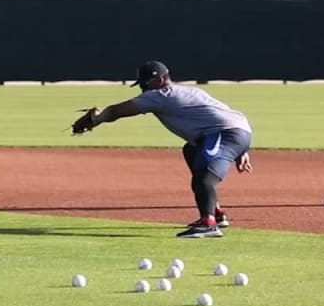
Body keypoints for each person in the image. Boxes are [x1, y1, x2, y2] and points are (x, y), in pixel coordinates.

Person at [73, 60, 253, 238]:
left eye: (145, 83)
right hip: (233, 131)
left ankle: (209, 224)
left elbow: (116, 111)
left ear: (159, 80)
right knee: (191, 151)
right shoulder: (190, 90)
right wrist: (240, 148)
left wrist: (97, 119)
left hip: (225, 133)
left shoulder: (161, 95)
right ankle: (216, 213)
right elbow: (222, 113)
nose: (143, 88)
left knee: (204, 178)